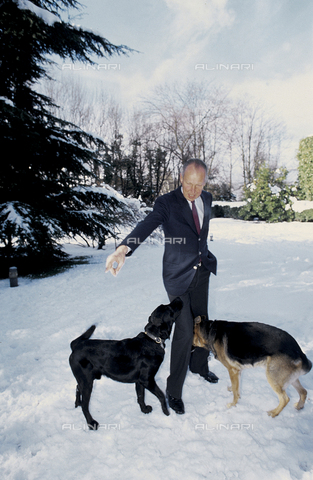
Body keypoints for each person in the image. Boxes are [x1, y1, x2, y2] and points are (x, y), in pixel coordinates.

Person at [105, 158, 218, 414]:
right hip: (177, 276)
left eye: (198, 185)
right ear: (181, 179)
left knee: (203, 321)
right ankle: (173, 391)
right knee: (184, 330)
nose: (192, 190)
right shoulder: (166, 203)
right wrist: (124, 248)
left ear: (204, 184)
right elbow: (146, 225)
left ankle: (199, 366)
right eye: (188, 183)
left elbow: (200, 234)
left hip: (202, 272)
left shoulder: (207, 199)